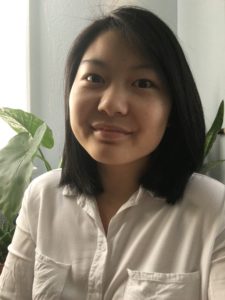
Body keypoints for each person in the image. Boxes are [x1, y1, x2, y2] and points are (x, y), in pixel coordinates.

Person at [0, 5, 224, 300]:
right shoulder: (42, 198)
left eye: (142, 83)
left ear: (172, 109)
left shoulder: (214, 210)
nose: (111, 104)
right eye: (95, 78)